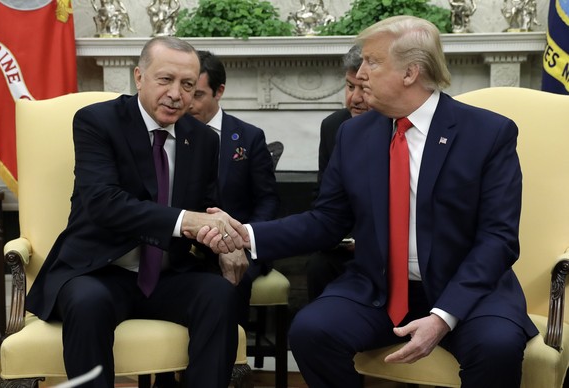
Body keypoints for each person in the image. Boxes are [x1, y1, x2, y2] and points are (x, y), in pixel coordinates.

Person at [197, 15, 539, 387]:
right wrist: (245, 234)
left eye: (371, 62)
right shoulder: (354, 134)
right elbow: (327, 220)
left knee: (497, 346)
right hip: (380, 289)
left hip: (469, 291)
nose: (360, 74)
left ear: (410, 73)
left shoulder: (488, 133)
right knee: (311, 331)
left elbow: (498, 239)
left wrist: (443, 316)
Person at [25, 36, 248, 388]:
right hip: (98, 270)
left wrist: (225, 241)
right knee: (87, 303)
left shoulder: (203, 139)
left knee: (219, 294)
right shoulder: (97, 122)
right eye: (166, 80)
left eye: (188, 85)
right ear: (139, 77)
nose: (177, 94)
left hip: (167, 275)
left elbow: (206, 209)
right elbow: (103, 202)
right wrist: (185, 220)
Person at [153, 49, 279, 387]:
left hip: (236, 244)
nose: (187, 101)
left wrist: (243, 238)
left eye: (198, 93)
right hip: (183, 244)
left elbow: (267, 200)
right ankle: (166, 371)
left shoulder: (247, 137)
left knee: (228, 283)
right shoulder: (165, 134)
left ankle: (226, 370)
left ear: (219, 92)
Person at [306, 44, 369, 301]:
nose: (354, 98)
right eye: (350, 86)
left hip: (396, 248)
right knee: (318, 266)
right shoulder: (334, 126)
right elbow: (324, 194)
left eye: (363, 88)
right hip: (344, 243)